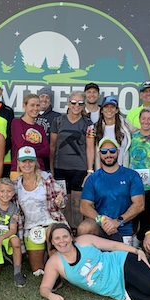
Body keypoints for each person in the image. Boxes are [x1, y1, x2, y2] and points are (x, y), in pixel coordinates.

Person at [79, 136, 144, 244]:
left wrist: (118, 221)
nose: (108, 154)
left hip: (123, 227)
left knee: (122, 255)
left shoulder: (132, 175)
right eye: (104, 151)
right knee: (84, 228)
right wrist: (102, 221)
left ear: (118, 152)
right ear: (99, 154)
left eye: (112, 151)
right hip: (101, 227)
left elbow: (139, 204)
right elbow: (84, 206)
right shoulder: (93, 178)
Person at [14, 146, 66, 277]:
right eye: (24, 161)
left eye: (30, 161)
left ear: (35, 162)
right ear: (18, 163)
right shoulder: (15, 185)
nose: (27, 165)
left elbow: (62, 199)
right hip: (31, 227)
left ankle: (56, 268)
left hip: (51, 222)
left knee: (51, 233)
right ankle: (49, 259)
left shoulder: (46, 178)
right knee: (38, 270)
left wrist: (59, 201)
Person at [49, 90, 92, 229]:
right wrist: (51, 168)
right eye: (73, 102)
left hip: (79, 169)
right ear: (68, 103)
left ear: (84, 105)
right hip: (60, 168)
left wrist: (90, 170)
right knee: (64, 203)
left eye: (80, 103)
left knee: (77, 204)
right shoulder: (58, 121)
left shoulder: (88, 123)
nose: (76, 106)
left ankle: (77, 231)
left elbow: (90, 148)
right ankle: (66, 231)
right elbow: (52, 146)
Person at [127, 106, 150, 241]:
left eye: (149, 119)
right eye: (144, 118)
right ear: (139, 120)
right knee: (132, 216)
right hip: (133, 185)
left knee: (149, 219)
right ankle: (131, 241)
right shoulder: (132, 137)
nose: (146, 122)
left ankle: (145, 243)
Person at [87, 95, 133, 170]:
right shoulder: (94, 128)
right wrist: (90, 170)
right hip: (102, 172)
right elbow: (90, 150)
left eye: (112, 107)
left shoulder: (126, 125)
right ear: (101, 110)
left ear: (116, 110)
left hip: (122, 170)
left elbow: (141, 132)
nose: (109, 110)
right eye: (106, 107)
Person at [10, 93, 49, 172]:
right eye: (32, 105)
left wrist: (28, 149)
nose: (35, 108)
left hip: (39, 169)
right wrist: (39, 146)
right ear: (25, 106)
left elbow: (47, 151)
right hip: (20, 169)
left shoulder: (40, 128)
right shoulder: (17, 122)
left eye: (38, 105)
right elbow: (21, 145)